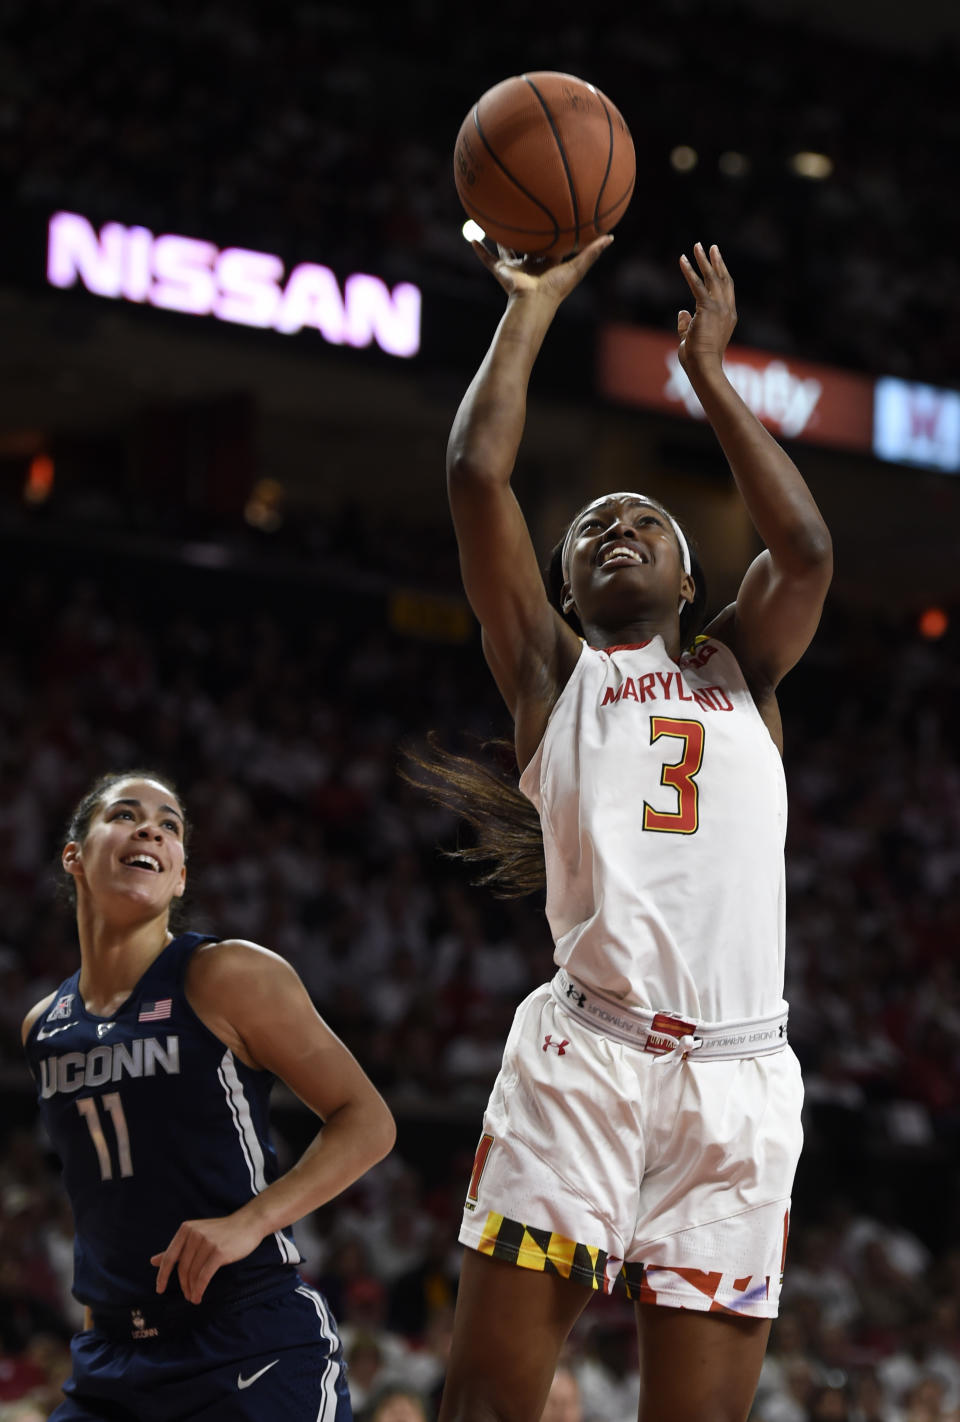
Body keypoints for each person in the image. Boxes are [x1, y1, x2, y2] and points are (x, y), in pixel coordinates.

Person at [430, 236, 833, 1422]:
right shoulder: (554, 677)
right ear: (560, 588)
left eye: (646, 521)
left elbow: (805, 551)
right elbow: (474, 474)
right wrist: (534, 307)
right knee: (489, 1409)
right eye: (594, 526)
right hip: (586, 1061)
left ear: (691, 578)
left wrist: (712, 376)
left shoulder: (742, 669)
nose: (617, 527)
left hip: (742, 1082)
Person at [22, 769, 397, 1420]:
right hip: (112, 1355)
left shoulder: (225, 974)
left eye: (170, 827)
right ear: (74, 856)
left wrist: (248, 1224)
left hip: (247, 1338)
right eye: (126, 815)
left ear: (181, 877)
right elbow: (101, 1199)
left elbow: (367, 1120)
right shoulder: (43, 1026)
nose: (151, 829)